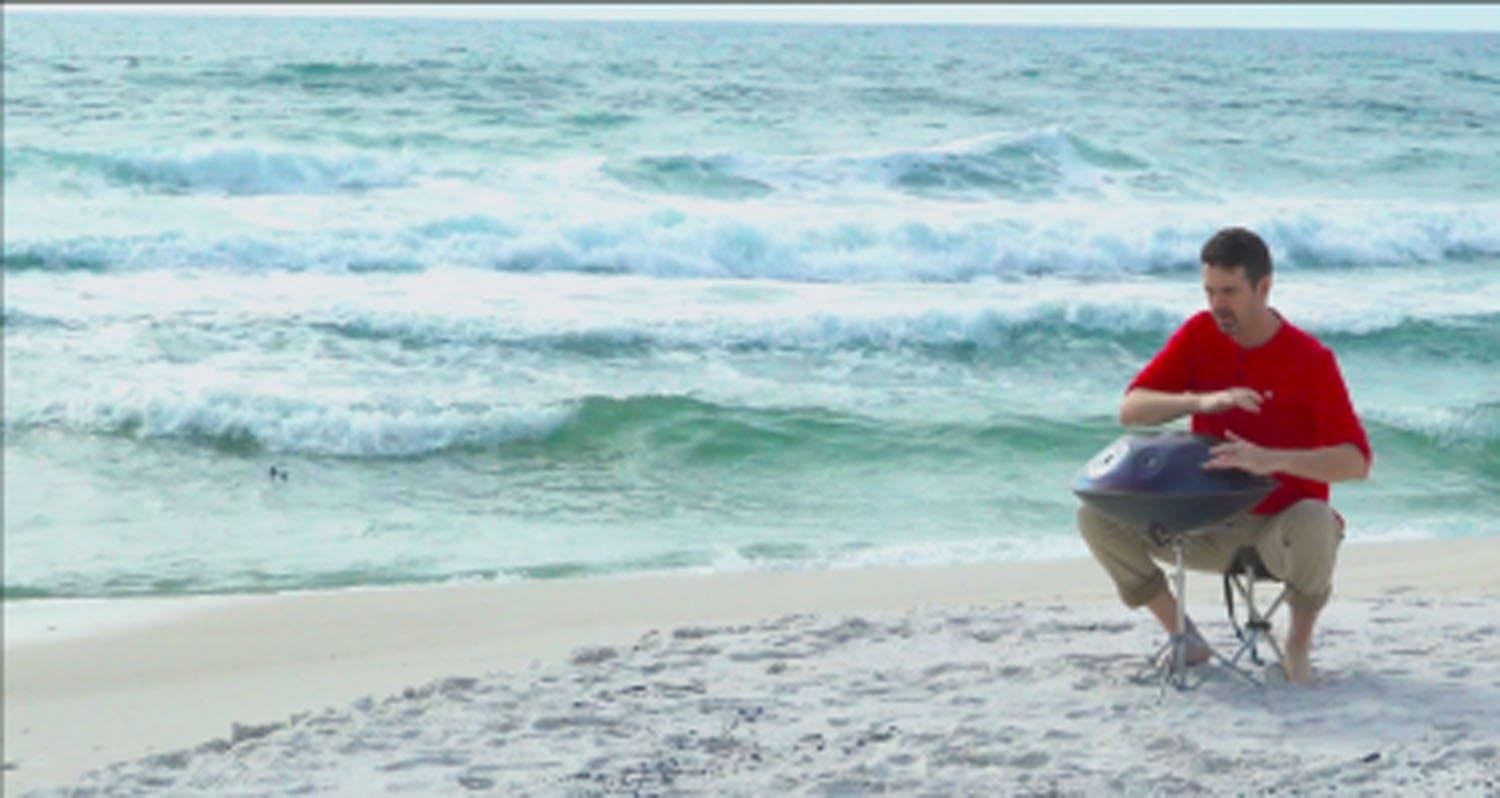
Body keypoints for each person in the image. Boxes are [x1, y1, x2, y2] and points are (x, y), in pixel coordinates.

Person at [1078, 226, 1373, 685]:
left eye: (1230, 292)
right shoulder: (1200, 334)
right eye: (1210, 291)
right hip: (1204, 523)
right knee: (1096, 517)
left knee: (1317, 519)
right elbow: (1131, 408)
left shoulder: (1311, 359)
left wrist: (1270, 459)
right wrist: (1201, 401)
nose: (1218, 304)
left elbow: (1356, 462)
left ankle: (1297, 646)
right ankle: (1183, 636)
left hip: (1280, 533)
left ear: (1264, 287)